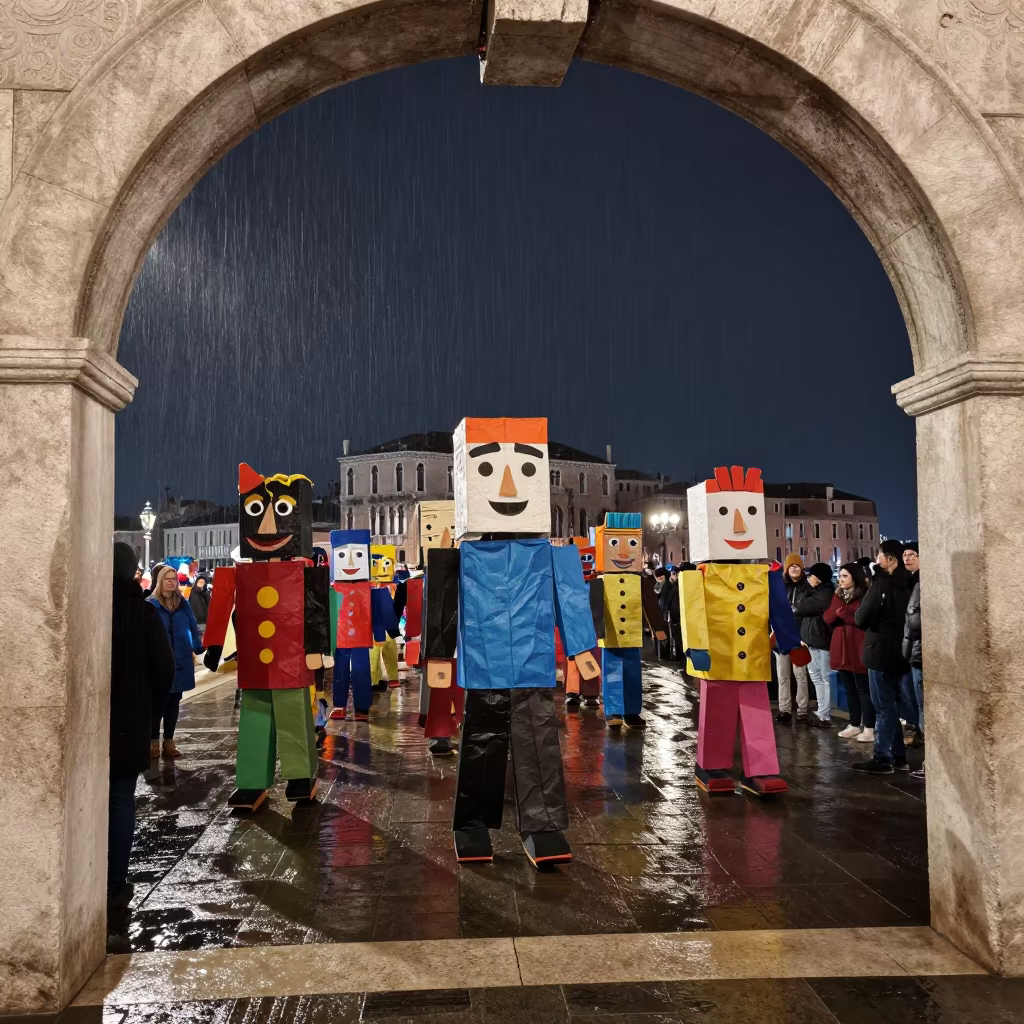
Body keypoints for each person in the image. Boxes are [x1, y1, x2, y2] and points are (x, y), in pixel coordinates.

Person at [108, 543, 174, 943]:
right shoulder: (144, 613)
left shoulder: (89, 605)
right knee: (120, 800)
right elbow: (164, 669)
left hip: (90, 721)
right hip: (130, 721)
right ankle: (115, 885)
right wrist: (151, 712)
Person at [853, 540, 914, 774]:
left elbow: (861, 618)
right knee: (892, 706)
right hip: (902, 652)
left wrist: (876, 580)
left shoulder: (881, 584)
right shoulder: (910, 583)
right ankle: (898, 756)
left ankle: (882, 757)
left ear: (890, 559)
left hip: (880, 651)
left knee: (883, 706)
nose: (876, 560)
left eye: (879, 556)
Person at [148, 564, 204, 759]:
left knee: (174, 702)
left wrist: (197, 646)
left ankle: (169, 741)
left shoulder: (183, 603)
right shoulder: (151, 604)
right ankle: (152, 742)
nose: (171, 582)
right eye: (167, 578)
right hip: (158, 662)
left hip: (180, 659)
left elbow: (193, 626)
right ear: (160, 581)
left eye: (174, 579)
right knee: (157, 703)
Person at [823, 562, 874, 742]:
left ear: (854, 577)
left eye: (845, 576)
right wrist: (841, 613)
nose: (841, 579)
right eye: (840, 576)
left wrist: (843, 613)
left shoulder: (864, 595)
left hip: (857, 646)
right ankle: (854, 724)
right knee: (849, 689)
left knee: (863, 690)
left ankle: (869, 727)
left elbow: (861, 619)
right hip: (841, 647)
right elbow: (828, 617)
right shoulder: (837, 595)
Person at [793, 562, 836, 727]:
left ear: (819, 577)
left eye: (811, 575)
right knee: (816, 678)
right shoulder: (815, 592)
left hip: (822, 640)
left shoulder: (826, 594)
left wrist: (805, 596)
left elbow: (800, 607)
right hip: (811, 640)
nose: (809, 578)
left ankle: (825, 714)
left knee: (825, 678)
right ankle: (821, 711)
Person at [775, 554, 812, 723]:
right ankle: (785, 710)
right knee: (783, 676)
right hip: (781, 637)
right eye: (791, 566)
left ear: (802, 568)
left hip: (799, 638)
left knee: (801, 676)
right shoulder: (780, 588)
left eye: (797, 565)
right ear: (786, 569)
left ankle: (802, 710)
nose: (794, 568)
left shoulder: (808, 588)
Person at [904, 567, 924, 780]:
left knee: (923, 705)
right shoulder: (914, 585)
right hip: (915, 651)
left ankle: (929, 761)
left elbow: (914, 621)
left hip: (918, 650)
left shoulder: (919, 586)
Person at [188, 574, 211, 638]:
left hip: (205, 622)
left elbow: (209, 605)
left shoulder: (204, 593)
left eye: (203, 582)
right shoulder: (193, 593)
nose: (201, 584)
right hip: (199, 622)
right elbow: (197, 608)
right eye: (200, 582)